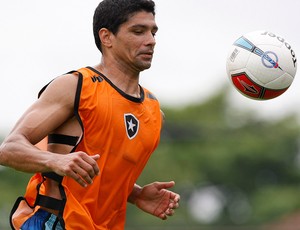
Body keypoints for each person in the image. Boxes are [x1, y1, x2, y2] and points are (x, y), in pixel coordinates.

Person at [0, 0, 180, 229]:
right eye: (138, 31)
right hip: (54, 222)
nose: (151, 41)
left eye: (153, 32)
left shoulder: (153, 111)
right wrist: (56, 160)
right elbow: (8, 149)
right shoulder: (76, 87)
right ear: (106, 37)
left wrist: (135, 194)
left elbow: (99, 172)